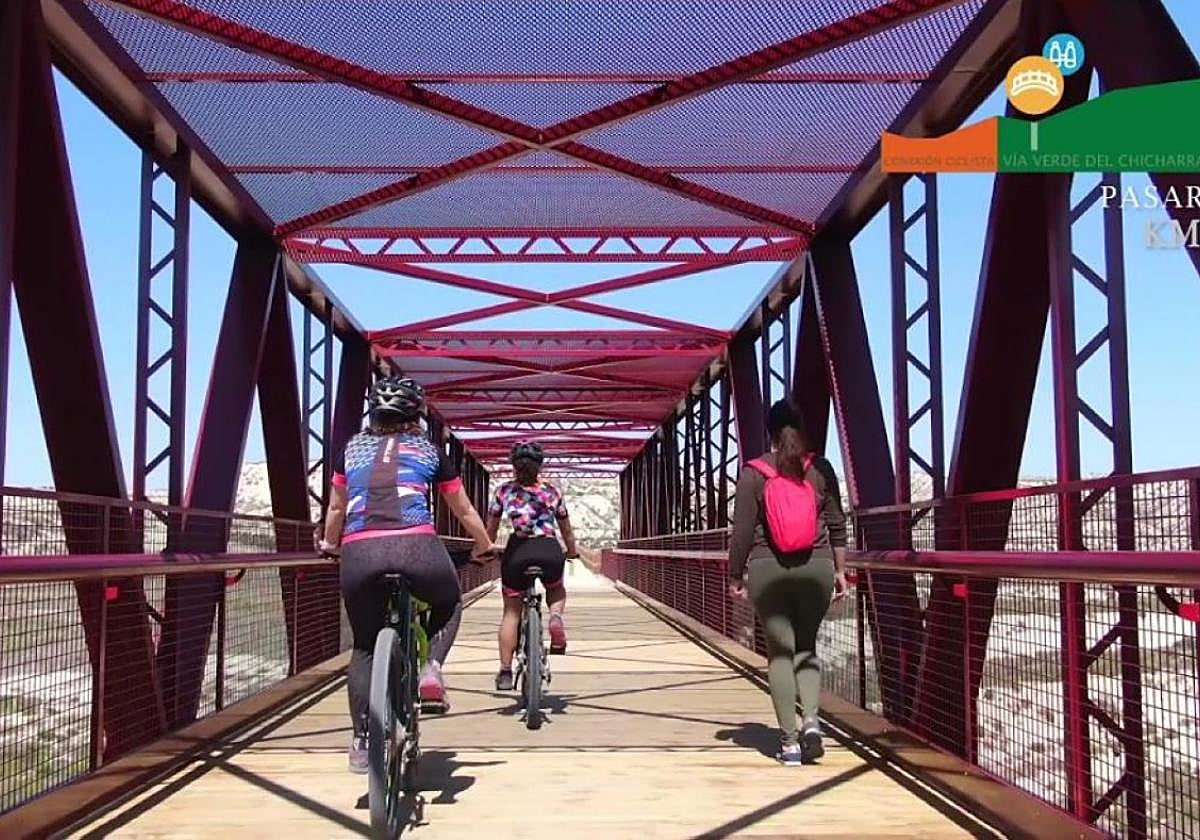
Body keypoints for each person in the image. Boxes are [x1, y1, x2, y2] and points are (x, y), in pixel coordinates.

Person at [318, 376, 498, 774]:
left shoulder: (351, 449)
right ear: (417, 414)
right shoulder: (428, 449)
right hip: (416, 546)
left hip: (360, 550)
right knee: (449, 604)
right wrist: (484, 546)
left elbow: (335, 509)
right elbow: (465, 510)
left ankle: (362, 740)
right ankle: (430, 668)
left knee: (364, 647)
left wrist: (330, 545)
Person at [727, 399, 849, 766]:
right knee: (806, 647)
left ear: (769, 432)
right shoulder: (820, 469)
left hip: (769, 569)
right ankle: (811, 721)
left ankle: (790, 743)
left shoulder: (754, 473)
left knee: (780, 653)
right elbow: (839, 526)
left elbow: (743, 533)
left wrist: (735, 574)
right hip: (818, 567)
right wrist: (841, 571)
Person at [485, 441, 579, 690]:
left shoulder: (503, 491)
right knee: (555, 588)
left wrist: (486, 549)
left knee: (511, 612)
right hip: (548, 548)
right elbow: (566, 529)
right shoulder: (552, 491)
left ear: (514, 466)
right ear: (540, 466)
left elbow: (491, 530)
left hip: (518, 551)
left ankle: (505, 671)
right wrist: (571, 551)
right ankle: (556, 618)